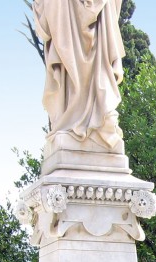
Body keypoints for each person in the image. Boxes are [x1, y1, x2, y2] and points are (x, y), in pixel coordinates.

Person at [34, 0, 125, 150]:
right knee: (71, 66)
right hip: (66, 12)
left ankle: (98, 118)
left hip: (97, 22)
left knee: (97, 67)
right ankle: (72, 120)